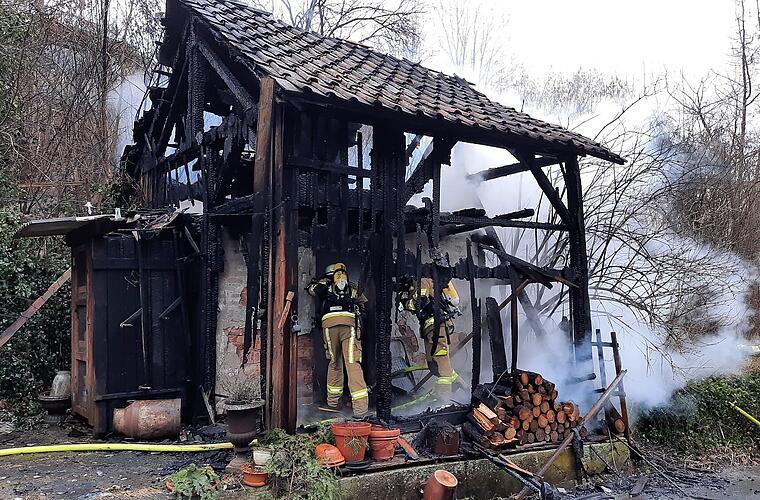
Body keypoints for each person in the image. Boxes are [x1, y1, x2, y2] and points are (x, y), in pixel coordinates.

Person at [307, 263, 369, 416]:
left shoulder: (323, 284)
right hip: (350, 325)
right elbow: (363, 302)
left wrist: (317, 283)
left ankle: (333, 403)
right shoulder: (351, 287)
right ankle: (361, 409)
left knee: (334, 363)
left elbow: (311, 291)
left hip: (329, 325)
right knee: (352, 364)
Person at [398, 276, 460, 394]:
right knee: (434, 365)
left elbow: (421, 302)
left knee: (442, 365)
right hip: (431, 328)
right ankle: (463, 386)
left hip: (437, 326)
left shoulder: (423, 281)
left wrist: (405, 303)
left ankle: (443, 399)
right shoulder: (422, 282)